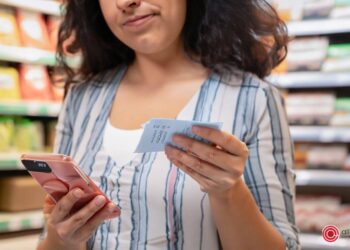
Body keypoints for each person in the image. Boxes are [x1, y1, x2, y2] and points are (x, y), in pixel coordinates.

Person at [38, 0, 300, 249]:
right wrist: (63, 239)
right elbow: (50, 238)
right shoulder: (82, 98)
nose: (126, 2)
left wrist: (229, 192)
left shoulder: (252, 98)